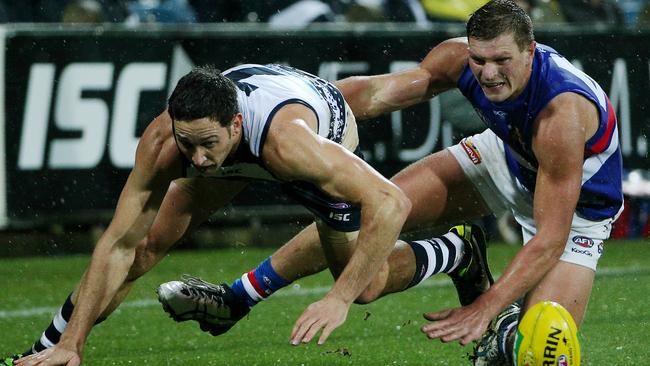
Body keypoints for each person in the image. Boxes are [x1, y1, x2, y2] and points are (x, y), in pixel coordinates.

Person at [155, 0, 622, 364]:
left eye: (502, 59)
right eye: (480, 59)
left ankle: (489, 303)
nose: (489, 73)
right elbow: (377, 93)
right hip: (504, 157)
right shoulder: (460, 61)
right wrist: (307, 106)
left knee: (539, 350)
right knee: (360, 214)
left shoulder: (561, 115)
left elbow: (550, 237)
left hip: (578, 213)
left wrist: (486, 309)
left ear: (530, 52)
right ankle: (235, 297)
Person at [8, 63, 492, 365]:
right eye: (187, 143)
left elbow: (392, 202)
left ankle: (457, 249)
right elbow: (117, 244)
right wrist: (70, 342)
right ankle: (43, 353)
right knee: (143, 249)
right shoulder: (168, 142)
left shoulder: (291, 147)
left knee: (365, 284)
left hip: (324, 127)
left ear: (235, 123)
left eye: (207, 144)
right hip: (254, 136)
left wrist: (338, 299)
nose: (195, 159)